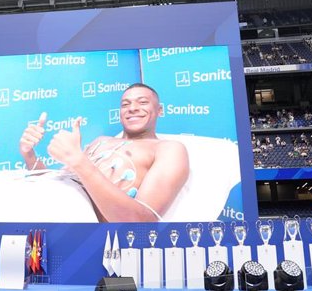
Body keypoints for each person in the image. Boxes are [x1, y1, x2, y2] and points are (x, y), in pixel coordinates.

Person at [18, 83, 189, 222]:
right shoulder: (99, 142)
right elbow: (57, 186)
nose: (132, 108)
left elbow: (142, 221)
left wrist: (79, 161)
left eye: (142, 102)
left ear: (160, 110)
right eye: (125, 104)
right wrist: (29, 154)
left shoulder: (169, 149)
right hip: (41, 212)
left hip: (81, 230)